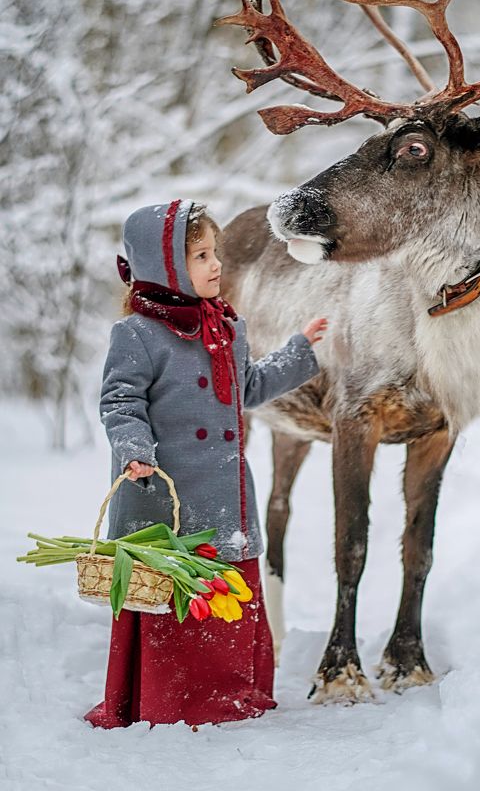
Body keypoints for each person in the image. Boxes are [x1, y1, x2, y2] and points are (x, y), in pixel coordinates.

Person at [85, 198, 326, 728]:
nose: (216, 264)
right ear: (163, 266)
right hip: (163, 498)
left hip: (224, 495)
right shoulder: (138, 335)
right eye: (200, 255)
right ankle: (171, 699)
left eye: (214, 252)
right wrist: (134, 451)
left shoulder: (227, 329)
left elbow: (250, 388)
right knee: (175, 601)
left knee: (225, 601)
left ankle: (229, 693)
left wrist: (300, 350)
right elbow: (120, 401)